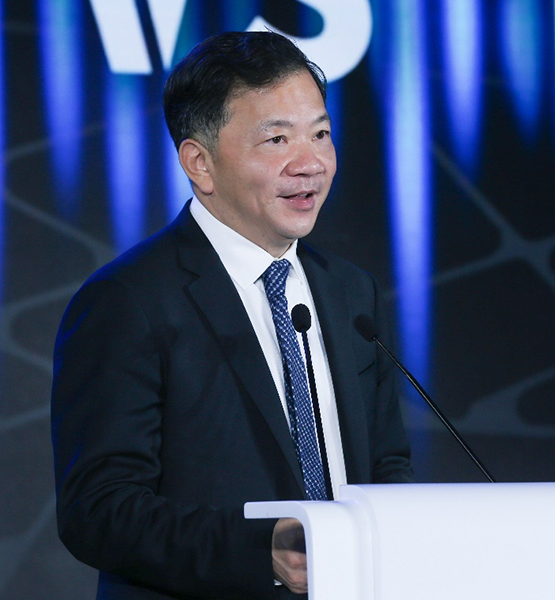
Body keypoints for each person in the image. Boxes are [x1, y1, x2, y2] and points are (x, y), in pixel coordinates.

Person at [51, 31, 413, 600]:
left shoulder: (350, 292)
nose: (310, 164)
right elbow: (98, 510)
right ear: (200, 163)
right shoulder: (129, 300)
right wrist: (260, 552)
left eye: (321, 134)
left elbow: (386, 463)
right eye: (277, 139)